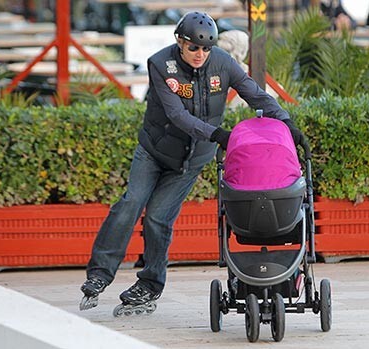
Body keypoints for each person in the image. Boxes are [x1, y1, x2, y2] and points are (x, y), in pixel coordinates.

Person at [79, 11, 303, 316]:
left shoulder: (222, 63)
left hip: (192, 159)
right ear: (180, 42)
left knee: (159, 219)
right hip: (155, 152)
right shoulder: (160, 64)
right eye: (193, 48)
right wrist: (216, 134)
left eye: (206, 48)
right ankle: (100, 274)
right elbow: (176, 115)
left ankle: (150, 284)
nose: (200, 55)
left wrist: (286, 122)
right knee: (131, 203)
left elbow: (253, 93)